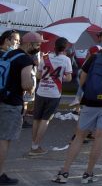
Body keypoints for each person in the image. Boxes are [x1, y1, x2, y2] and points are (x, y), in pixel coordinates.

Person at [53, 37, 102, 184]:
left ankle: (64, 172)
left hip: (89, 102)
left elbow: (82, 79)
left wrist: (88, 92)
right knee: (99, 138)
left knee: (79, 136)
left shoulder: (93, 57)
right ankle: (88, 174)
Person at [0, 30, 36, 185]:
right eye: (38, 44)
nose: (40, 46)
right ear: (28, 43)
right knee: (3, 140)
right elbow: (26, 84)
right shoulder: (26, 59)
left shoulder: (7, 55)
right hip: (11, 103)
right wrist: (32, 86)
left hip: (1, 96)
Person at [29, 37, 73, 156]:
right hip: (54, 93)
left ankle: (33, 144)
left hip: (41, 91)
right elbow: (68, 78)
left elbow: (38, 76)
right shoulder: (66, 60)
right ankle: (36, 147)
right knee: (45, 120)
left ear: (55, 46)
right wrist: (59, 78)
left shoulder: (45, 57)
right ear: (65, 47)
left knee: (36, 118)